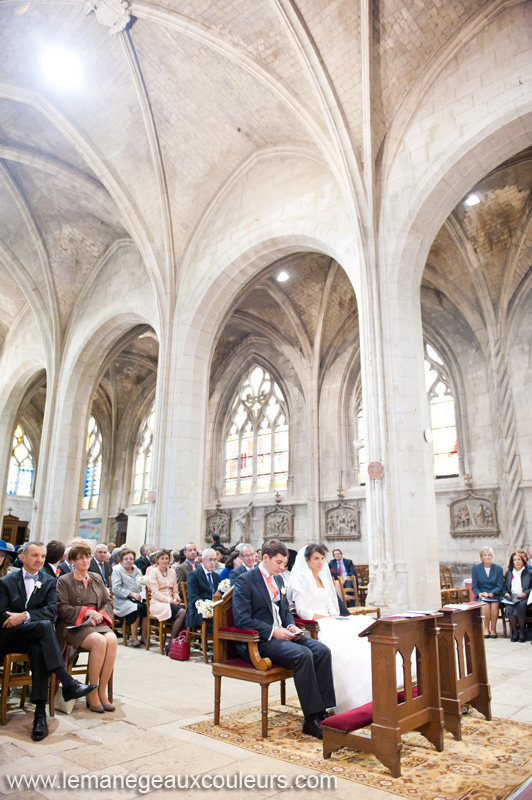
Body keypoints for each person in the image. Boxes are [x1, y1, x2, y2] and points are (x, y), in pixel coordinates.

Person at [233, 539, 336, 740]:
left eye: (284, 563)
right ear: (265, 558)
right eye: (279, 562)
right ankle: (311, 719)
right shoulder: (246, 580)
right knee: (303, 655)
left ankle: (323, 711)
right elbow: (242, 619)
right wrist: (273, 632)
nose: (283, 567)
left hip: (284, 634)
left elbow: (285, 611)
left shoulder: (279, 580)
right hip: (261, 641)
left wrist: (290, 626)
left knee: (322, 650)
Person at [290, 543, 407, 715]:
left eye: (322, 558)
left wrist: (333, 615)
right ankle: (358, 695)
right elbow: (301, 610)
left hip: (331, 619)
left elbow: (331, 604)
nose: (320, 562)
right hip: (315, 624)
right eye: (316, 558)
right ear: (307, 560)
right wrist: (326, 618)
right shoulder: (303, 577)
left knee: (363, 629)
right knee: (347, 645)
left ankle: (381, 686)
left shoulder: (323, 577)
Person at [0, 541, 96, 740]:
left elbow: (51, 612)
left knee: (39, 649)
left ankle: (39, 716)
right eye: (35, 556)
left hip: (34, 637)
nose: (39, 560)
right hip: (9, 638)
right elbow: (3, 616)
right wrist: (24, 618)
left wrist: (24, 616)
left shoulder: (49, 581)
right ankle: (67, 682)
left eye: (42, 557)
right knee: (43, 627)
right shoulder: (7, 581)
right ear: (23, 557)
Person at [56, 543, 117, 712]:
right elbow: (62, 608)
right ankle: (91, 691)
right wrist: (88, 613)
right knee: (99, 642)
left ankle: (101, 691)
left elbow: (107, 602)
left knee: (111, 640)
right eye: (80, 558)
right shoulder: (64, 580)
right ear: (72, 561)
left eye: (87, 557)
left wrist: (100, 616)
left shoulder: (96, 578)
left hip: (97, 623)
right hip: (73, 626)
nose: (85, 561)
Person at [148, 550, 186, 643]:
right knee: (182, 612)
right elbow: (155, 592)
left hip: (171, 601)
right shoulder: (153, 572)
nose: (165, 561)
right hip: (158, 602)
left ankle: (181, 641)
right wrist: (169, 600)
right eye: (162, 558)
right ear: (157, 560)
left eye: (167, 558)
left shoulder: (172, 572)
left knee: (187, 610)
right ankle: (172, 642)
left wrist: (176, 598)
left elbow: (175, 589)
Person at [111, 548, 147, 646]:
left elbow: (143, 584)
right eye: (126, 559)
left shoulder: (138, 570)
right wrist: (131, 594)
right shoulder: (117, 571)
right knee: (136, 608)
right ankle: (134, 638)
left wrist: (142, 594)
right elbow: (116, 589)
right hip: (122, 599)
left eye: (131, 559)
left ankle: (144, 636)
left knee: (147, 607)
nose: (128, 561)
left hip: (138, 597)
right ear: (121, 560)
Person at [471, 546, 504, 638]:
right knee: (485, 605)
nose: (487, 557)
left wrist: (492, 593)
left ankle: (493, 629)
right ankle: (486, 629)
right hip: (482, 595)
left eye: (489, 555)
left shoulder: (498, 569)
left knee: (494, 605)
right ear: (481, 557)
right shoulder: (475, 569)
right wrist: (480, 594)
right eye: (485, 555)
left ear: (492, 556)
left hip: (495, 595)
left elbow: (500, 585)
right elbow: (474, 586)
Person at [186, 548, 220, 627]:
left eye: (215, 560)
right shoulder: (194, 575)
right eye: (210, 560)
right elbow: (193, 597)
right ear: (203, 560)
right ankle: (209, 636)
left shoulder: (216, 576)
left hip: (214, 608)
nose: (213, 563)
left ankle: (223, 638)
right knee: (218, 618)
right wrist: (208, 607)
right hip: (198, 610)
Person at [502, 550, 531, 642]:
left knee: (520, 606)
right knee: (510, 607)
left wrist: (525, 593)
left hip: (524, 597)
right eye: (515, 560)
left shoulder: (529, 573)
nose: (517, 561)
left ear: (523, 561)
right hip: (512, 597)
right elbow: (505, 587)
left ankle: (522, 632)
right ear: (512, 562)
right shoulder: (509, 573)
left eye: (519, 559)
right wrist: (506, 593)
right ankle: (515, 632)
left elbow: (531, 588)